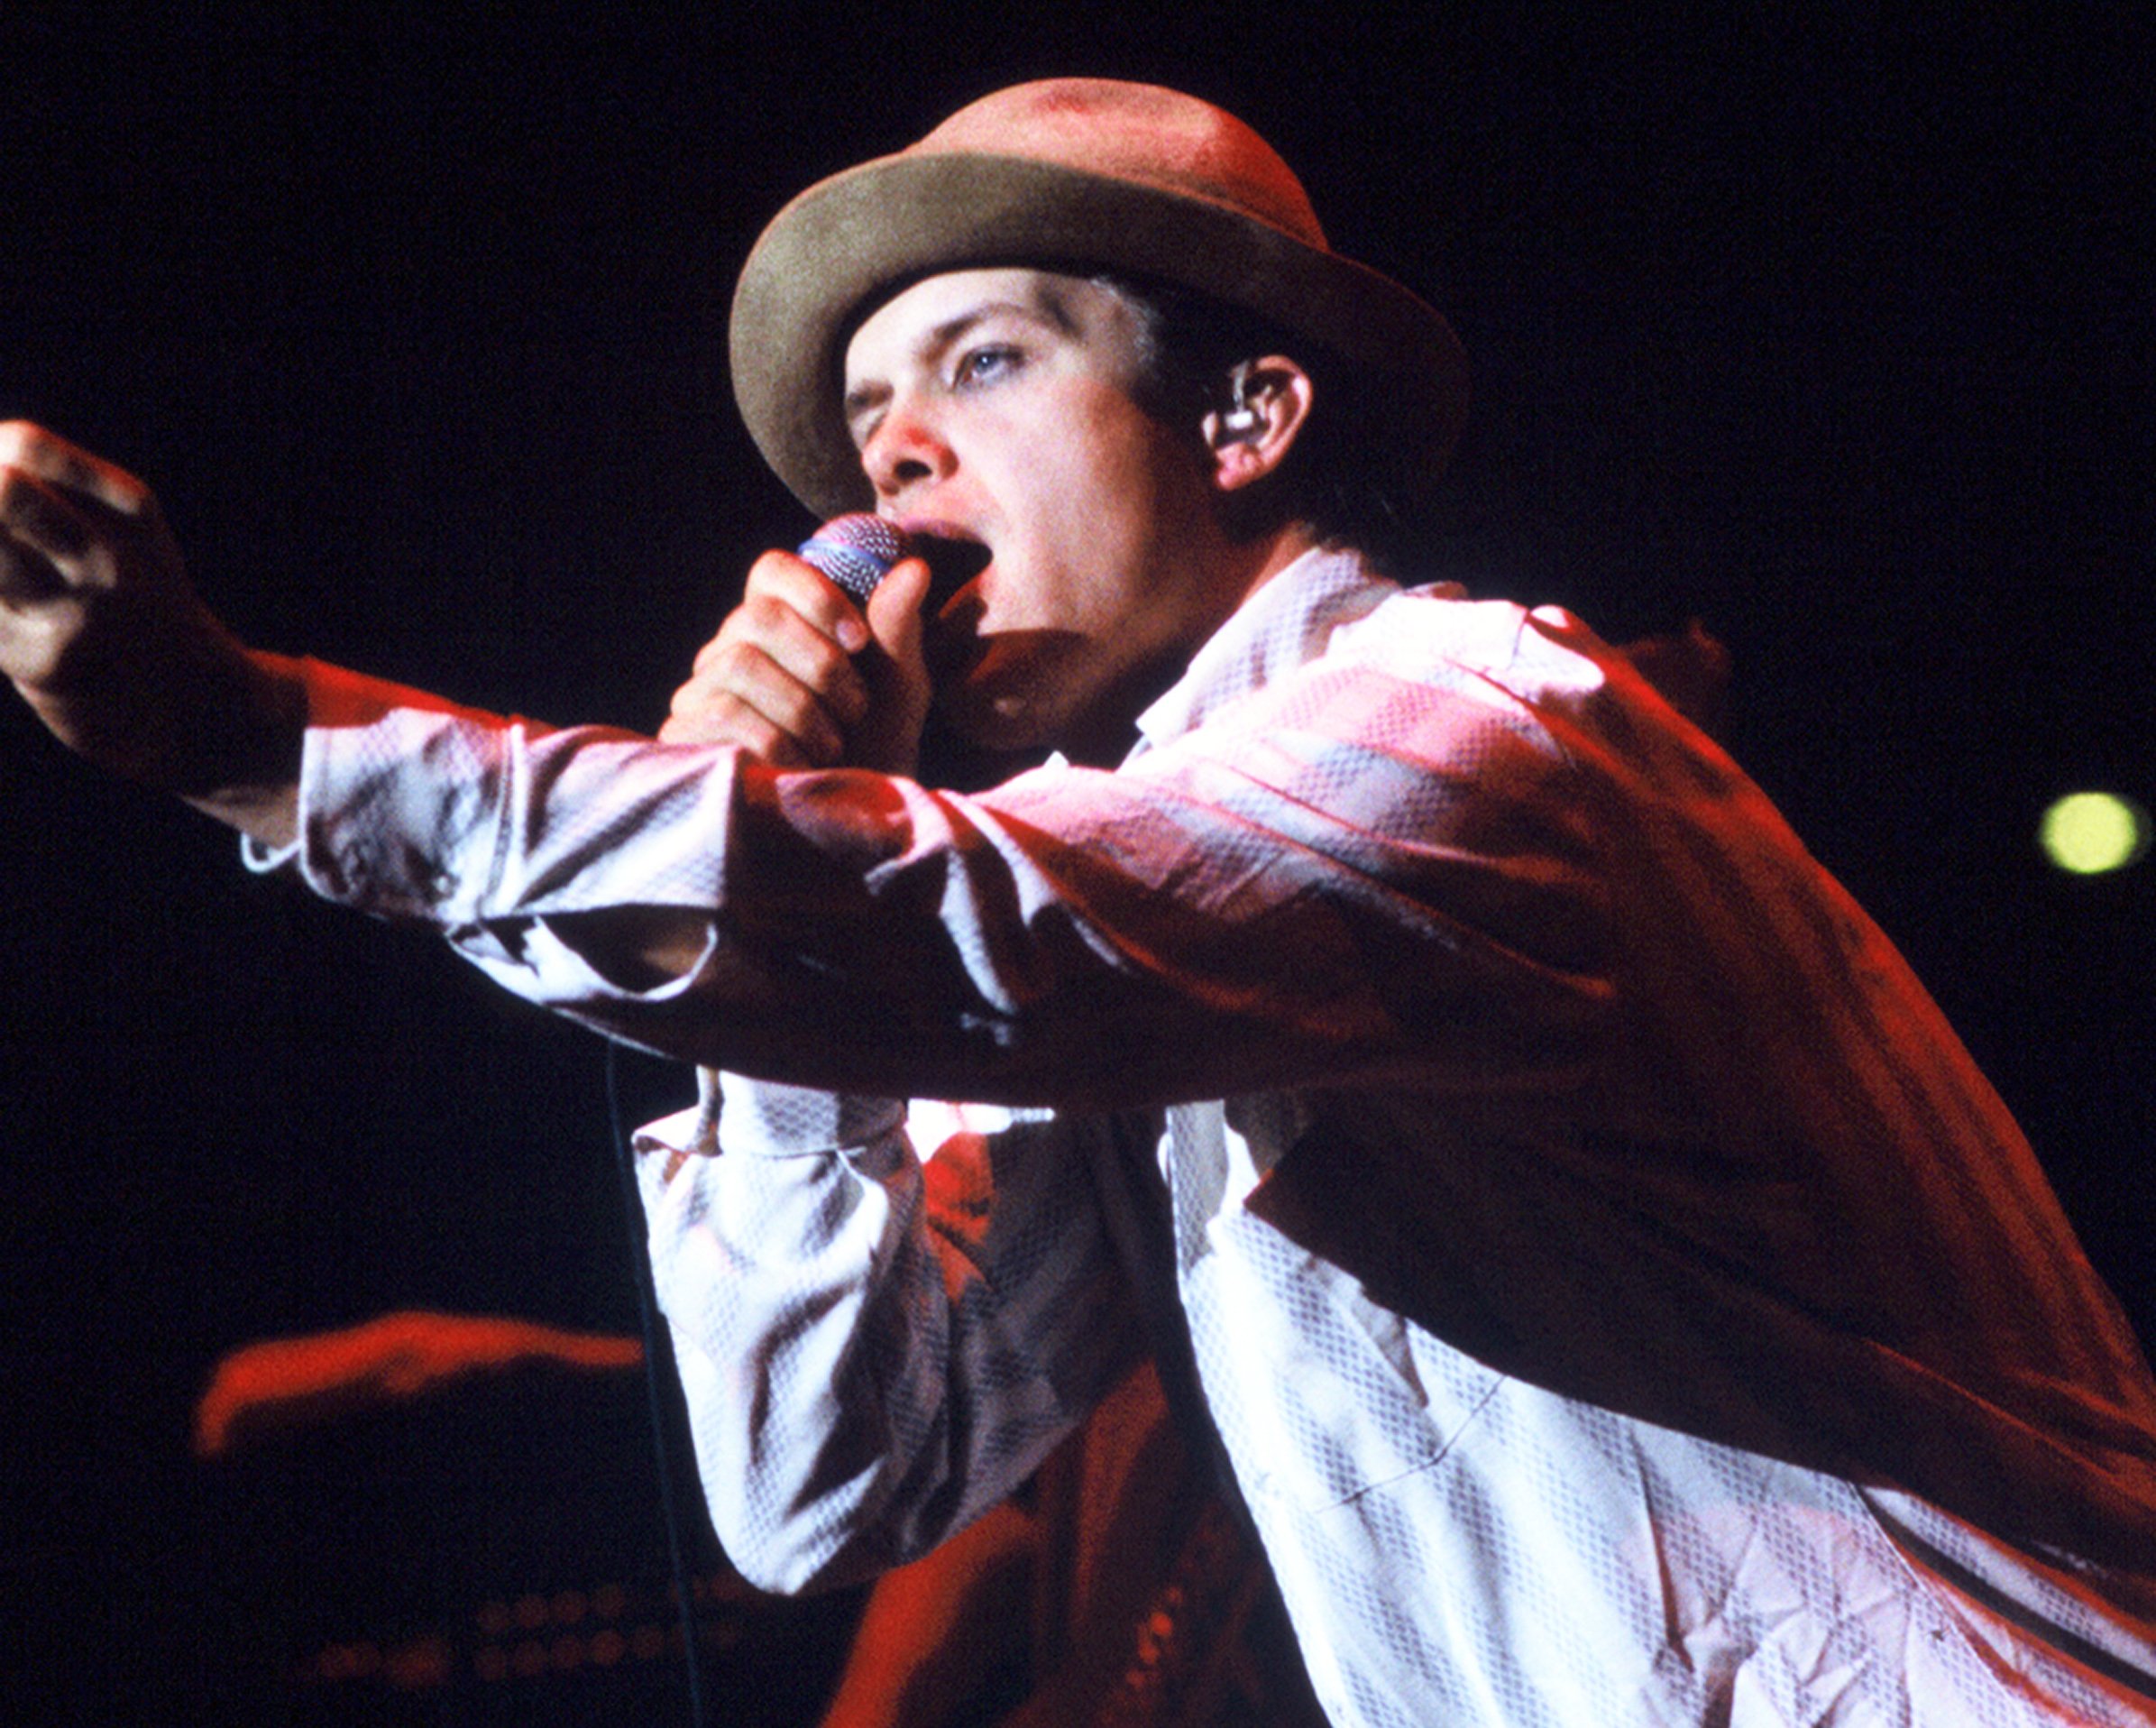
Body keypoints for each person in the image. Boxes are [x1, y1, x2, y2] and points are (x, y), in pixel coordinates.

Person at [4, 77, 2154, 1726]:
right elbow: (827, 1478)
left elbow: (986, 929)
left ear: (1244, 415)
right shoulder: (1139, 937)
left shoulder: (1475, 721)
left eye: (982, 363)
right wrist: (791, 948)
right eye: (868, 421)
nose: (889, 465)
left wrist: (245, 734)